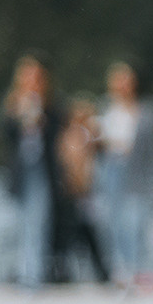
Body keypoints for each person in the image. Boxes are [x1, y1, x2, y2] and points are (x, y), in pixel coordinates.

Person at [97, 62, 153, 287]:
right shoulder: (104, 108)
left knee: (136, 220)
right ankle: (122, 268)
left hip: (138, 171)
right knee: (115, 221)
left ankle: (138, 268)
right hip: (111, 170)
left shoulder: (148, 110)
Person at [1, 54, 66, 290]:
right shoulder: (12, 102)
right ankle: (23, 273)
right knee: (20, 225)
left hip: (43, 170)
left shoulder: (51, 105)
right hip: (21, 171)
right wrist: (20, 117)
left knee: (39, 223)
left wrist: (41, 119)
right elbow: (6, 135)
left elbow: (58, 134)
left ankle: (34, 276)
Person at [57, 96, 112, 284]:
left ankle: (100, 271)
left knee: (90, 233)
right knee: (75, 233)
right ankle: (64, 270)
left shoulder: (90, 137)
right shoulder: (68, 137)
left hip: (89, 195)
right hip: (72, 194)